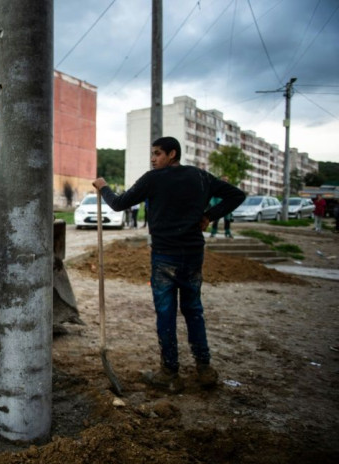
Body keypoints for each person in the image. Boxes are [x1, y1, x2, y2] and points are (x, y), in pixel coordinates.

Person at [92, 136, 245, 393]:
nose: (153, 159)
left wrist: (103, 186)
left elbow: (118, 204)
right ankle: (204, 369)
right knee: (194, 310)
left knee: (166, 313)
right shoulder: (200, 177)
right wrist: (210, 215)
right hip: (193, 255)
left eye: (157, 154)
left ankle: (169, 373)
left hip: (165, 256)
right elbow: (236, 195)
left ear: (172, 154)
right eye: (152, 154)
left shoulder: (153, 179)